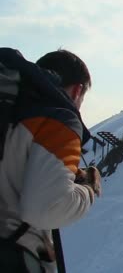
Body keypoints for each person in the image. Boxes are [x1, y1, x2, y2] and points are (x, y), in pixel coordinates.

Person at [0, 49, 101, 272]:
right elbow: (46, 210)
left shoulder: (11, 106)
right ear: (77, 91)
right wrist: (89, 189)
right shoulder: (60, 118)